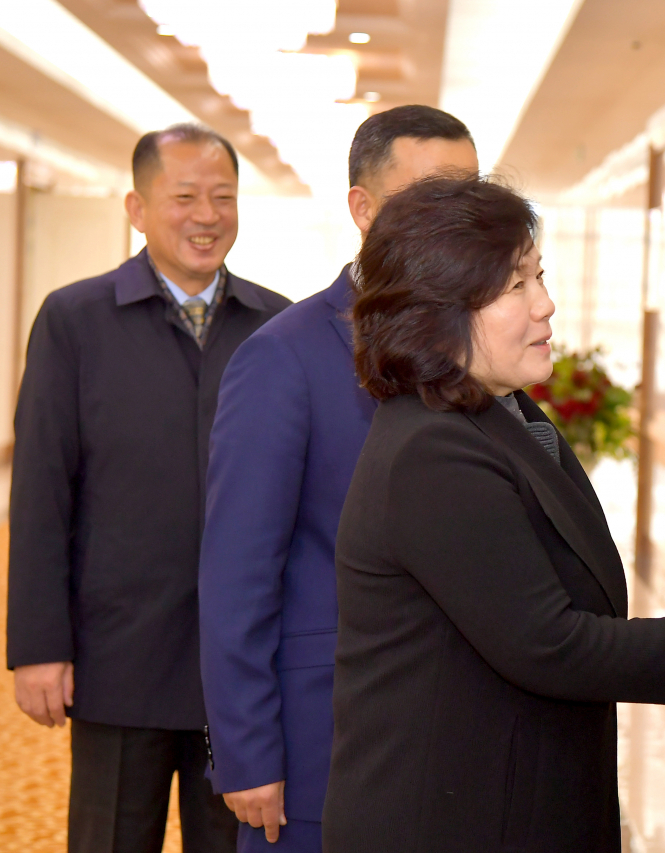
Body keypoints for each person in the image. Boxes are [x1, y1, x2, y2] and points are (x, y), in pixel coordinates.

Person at [324, 175, 665, 852]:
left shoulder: (505, 414)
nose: (547, 305)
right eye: (515, 287)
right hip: (452, 819)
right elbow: (550, 643)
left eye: (540, 277)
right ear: (436, 311)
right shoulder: (432, 451)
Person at [197, 105, 478, 850]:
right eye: (426, 199)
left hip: (458, 735)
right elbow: (238, 572)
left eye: (468, 199)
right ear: (363, 208)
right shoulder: (284, 356)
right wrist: (248, 752)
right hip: (324, 743)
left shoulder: (484, 344)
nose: (453, 222)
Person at [7, 123, 290, 852]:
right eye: (185, 197)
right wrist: (38, 644)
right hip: (116, 656)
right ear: (136, 208)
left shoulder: (276, 327)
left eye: (223, 197)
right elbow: (42, 490)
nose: (207, 216)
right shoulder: (75, 320)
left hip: (243, 669)